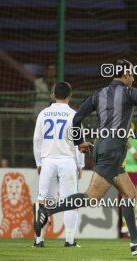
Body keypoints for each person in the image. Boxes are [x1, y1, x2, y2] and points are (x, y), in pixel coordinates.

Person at [34, 58, 137, 256]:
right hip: (113, 148)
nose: (134, 77)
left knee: (130, 194)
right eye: (132, 73)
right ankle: (46, 210)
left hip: (103, 146)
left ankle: (136, 242)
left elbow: (77, 118)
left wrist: (79, 143)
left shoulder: (99, 93)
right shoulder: (129, 93)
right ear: (125, 75)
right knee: (91, 197)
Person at [33, 81, 84, 247]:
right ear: (70, 96)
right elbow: (79, 143)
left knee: (44, 200)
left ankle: (39, 240)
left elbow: (37, 140)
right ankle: (69, 240)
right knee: (70, 201)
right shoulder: (74, 115)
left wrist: (39, 162)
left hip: (48, 161)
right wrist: (80, 164)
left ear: (53, 94)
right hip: (67, 161)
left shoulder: (43, 114)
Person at [120, 122, 137, 236]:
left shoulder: (134, 141)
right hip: (122, 170)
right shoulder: (117, 139)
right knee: (128, 198)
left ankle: (126, 225)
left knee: (129, 198)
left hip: (131, 171)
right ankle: (126, 225)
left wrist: (130, 147)